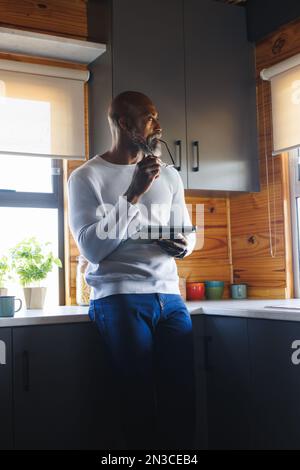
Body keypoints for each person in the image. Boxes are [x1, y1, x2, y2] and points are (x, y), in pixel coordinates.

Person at [68, 91, 196, 450]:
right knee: (136, 401)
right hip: (119, 297)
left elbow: (187, 233)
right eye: (150, 118)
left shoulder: (170, 176)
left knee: (181, 400)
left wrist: (183, 246)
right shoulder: (85, 177)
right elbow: (92, 248)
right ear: (125, 123)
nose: (159, 125)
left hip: (170, 298)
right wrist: (133, 194)